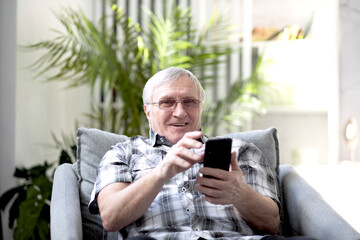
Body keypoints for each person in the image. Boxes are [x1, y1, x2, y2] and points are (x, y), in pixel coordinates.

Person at [89, 67, 315, 240]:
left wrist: (241, 194)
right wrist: (161, 172)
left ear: (201, 108)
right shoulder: (123, 153)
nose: (179, 112)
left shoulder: (241, 151)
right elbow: (110, 218)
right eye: (167, 102)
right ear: (148, 111)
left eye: (189, 102)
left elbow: (271, 224)